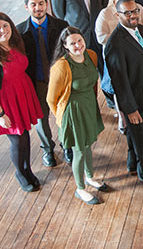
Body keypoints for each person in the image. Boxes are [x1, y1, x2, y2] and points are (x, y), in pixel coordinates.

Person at [0, 12, 43, 192]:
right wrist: (0, 114)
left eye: (5, 26)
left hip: (22, 94)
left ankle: (28, 169)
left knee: (25, 135)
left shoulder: (16, 44)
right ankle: (20, 173)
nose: (2, 31)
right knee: (17, 139)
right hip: (5, 102)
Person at [105, 0, 143, 189]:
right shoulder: (115, 44)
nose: (133, 16)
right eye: (127, 13)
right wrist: (130, 109)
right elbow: (119, 82)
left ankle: (134, 162)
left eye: (135, 11)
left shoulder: (140, 29)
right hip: (133, 99)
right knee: (142, 134)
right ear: (117, 15)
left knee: (136, 133)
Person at [47, 27, 106, 205]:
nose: (77, 45)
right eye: (72, 43)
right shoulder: (62, 66)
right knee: (79, 151)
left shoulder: (91, 55)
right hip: (72, 112)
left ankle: (90, 177)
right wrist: (62, 120)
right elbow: (51, 98)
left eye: (79, 40)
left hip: (88, 105)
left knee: (88, 144)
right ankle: (80, 188)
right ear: (65, 46)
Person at [16, 0, 69, 168]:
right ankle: (48, 149)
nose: (38, 8)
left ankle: (67, 145)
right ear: (27, 7)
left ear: (47, 4)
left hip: (58, 79)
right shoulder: (19, 32)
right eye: (33, 4)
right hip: (36, 81)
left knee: (63, 114)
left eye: (41, 3)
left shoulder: (62, 26)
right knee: (41, 118)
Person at [96, 0, 143, 135]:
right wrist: (121, 39)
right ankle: (122, 116)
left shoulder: (136, 8)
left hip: (135, 53)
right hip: (116, 55)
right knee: (120, 88)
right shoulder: (105, 13)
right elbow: (100, 36)